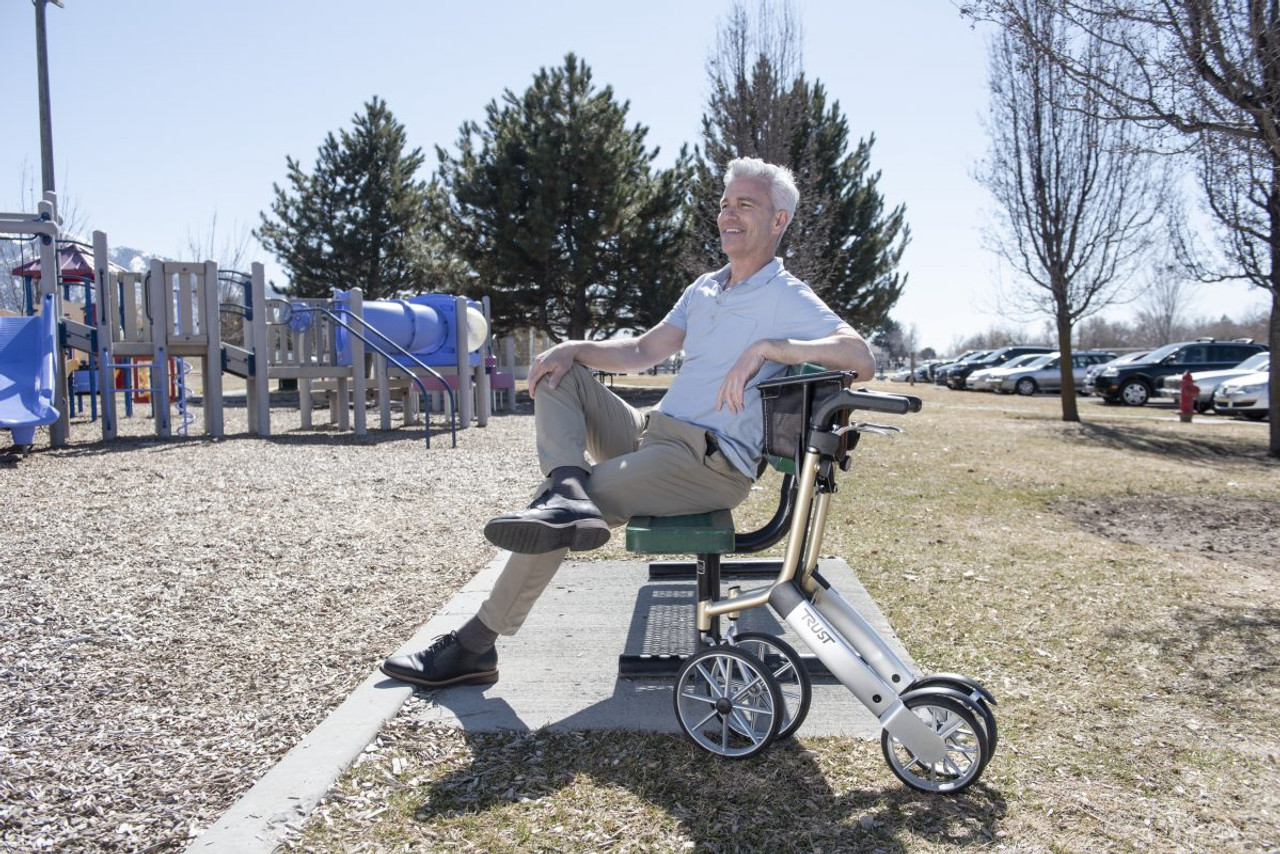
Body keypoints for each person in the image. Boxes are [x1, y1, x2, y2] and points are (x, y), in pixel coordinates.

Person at [381, 157, 876, 688]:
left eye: (745, 205)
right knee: (559, 374)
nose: (728, 215)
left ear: (778, 221)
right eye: (725, 204)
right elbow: (643, 349)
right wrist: (574, 348)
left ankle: (473, 647)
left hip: (705, 464)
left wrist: (772, 346)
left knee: (553, 517)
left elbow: (860, 356)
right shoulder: (707, 288)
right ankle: (567, 487)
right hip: (653, 432)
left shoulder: (786, 296)